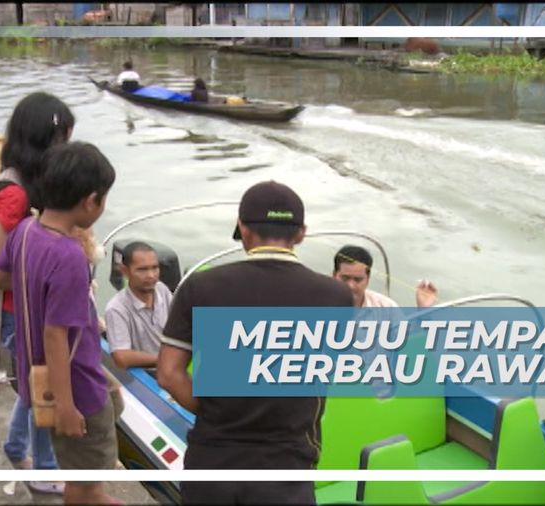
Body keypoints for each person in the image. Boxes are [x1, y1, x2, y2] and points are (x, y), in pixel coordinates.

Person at [157, 181, 354, 505]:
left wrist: (213, 411)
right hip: (286, 468)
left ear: (243, 229)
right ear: (301, 233)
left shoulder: (201, 286)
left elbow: (168, 373)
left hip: (212, 463)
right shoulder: (335, 296)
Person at [0, 141, 120, 505]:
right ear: (91, 200)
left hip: (40, 372)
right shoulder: (70, 257)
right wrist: (65, 405)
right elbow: (56, 335)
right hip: (76, 387)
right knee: (85, 489)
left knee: (114, 400)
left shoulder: (26, 231)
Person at [0, 92, 75, 496]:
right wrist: (42, 276)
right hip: (24, 314)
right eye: (64, 140)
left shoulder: (32, 187)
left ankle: (15, 445)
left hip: (30, 309)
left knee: (32, 383)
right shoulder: (16, 194)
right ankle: (45, 468)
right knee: (44, 386)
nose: (67, 150)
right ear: (45, 139)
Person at [104, 241, 173, 369]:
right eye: (142, 269)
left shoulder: (162, 289)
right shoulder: (116, 309)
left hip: (175, 366)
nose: (151, 275)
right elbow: (121, 357)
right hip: (151, 377)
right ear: (124, 271)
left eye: (155, 267)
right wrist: (166, 361)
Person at [333, 244, 437, 308]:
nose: (351, 285)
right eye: (345, 278)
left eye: (358, 280)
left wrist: (423, 311)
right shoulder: (318, 304)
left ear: (368, 279)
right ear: (334, 275)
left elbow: (411, 340)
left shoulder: (386, 307)